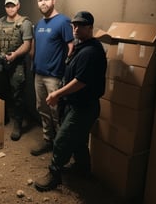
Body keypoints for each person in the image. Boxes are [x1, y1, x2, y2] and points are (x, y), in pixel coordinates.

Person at [34, 11, 107, 192]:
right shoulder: (82, 45)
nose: (75, 29)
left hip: (84, 106)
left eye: (80, 26)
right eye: (74, 25)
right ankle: (83, 170)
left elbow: (80, 82)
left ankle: (54, 174)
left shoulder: (91, 52)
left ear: (89, 28)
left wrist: (57, 94)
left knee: (61, 139)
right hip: (76, 103)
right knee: (80, 140)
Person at [30, 0, 74, 156]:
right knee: (42, 109)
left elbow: (71, 48)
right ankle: (48, 141)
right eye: (40, 0)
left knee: (57, 112)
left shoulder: (63, 21)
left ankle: (61, 148)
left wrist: (64, 71)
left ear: (53, 1)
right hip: (39, 74)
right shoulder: (39, 24)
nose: (43, 3)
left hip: (54, 77)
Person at [0, 0, 33, 141]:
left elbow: (27, 44)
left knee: (18, 95)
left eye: (13, 5)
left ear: (18, 6)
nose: (10, 8)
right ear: (5, 7)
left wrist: (14, 55)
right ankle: (3, 118)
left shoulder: (24, 23)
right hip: (1, 63)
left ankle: (17, 124)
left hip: (17, 64)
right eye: (8, 6)